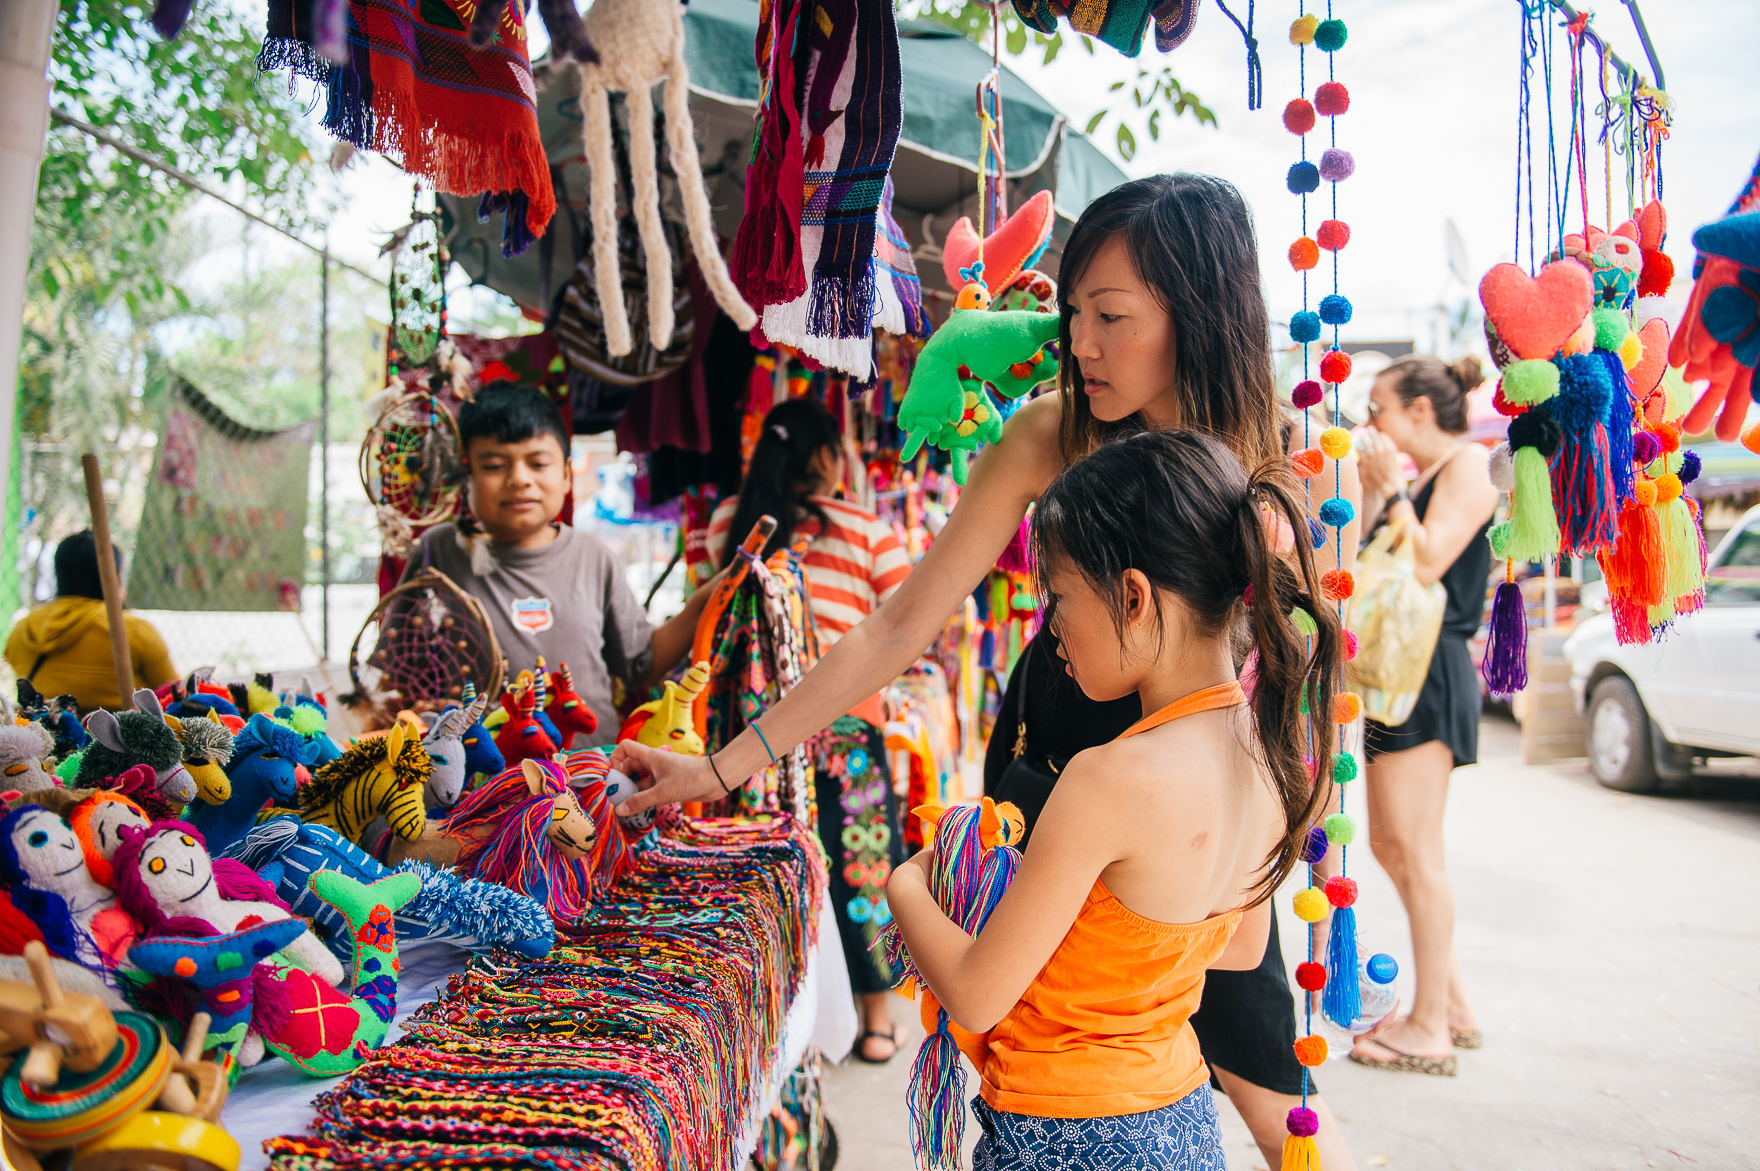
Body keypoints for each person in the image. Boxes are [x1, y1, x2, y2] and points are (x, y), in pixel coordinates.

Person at [612, 174, 1362, 1164]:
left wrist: (1256, 856)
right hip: (1056, 778)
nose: (1079, 344)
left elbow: (1305, 689)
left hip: (1196, 812)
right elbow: (894, 629)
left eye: (1109, 316)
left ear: (1199, 311)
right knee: (1037, 1069)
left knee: (1268, 1087)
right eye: (1071, 314)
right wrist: (719, 768)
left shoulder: (1284, 465)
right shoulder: (1047, 432)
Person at [889, 431, 1338, 1166]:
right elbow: (1243, 947)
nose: (1050, 627)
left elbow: (976, 994)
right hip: (1182, 1119)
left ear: (1132, 595)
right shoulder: (1268, 748)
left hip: (1067, 1133)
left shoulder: (1107, 778)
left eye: (1059, 596)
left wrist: (908, 880)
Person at [706, 397, 914, 1064]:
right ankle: (876, 1014)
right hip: (850, 727)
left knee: (772, 867)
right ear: (828, 456)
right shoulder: (867, 528)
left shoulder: (727, 525)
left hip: (752, 727)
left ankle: (788, 1018)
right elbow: (905, 623)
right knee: (864, 867)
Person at [402, 382, 718, 735]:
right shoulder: (439, 551)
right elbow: (397, 670)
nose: (519, 479)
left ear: (566, 474)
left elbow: (640, 667)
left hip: (593, 776)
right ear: (467, 474)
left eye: (538, 463)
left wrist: (705, 599)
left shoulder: (594, 557)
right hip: (477, 782)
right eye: (493, 465)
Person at [1350, 355, 1498, 1077]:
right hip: (1399, 668)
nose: (1370, 422)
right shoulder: (1420, 478)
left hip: (1431, 668)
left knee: (1417, 850)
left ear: (1416, 410)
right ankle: (1455, 1006)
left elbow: (1432, 559)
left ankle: (1431, 1024)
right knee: (1389, 844)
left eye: (1378, 407)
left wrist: (1394, 488)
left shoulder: (1468, 466)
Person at [5, 531, 176, 712]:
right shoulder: (130, 630)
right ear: (114, 575)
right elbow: (175, 694)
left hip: (41, 732)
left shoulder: (23, 627)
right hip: (114, 736)